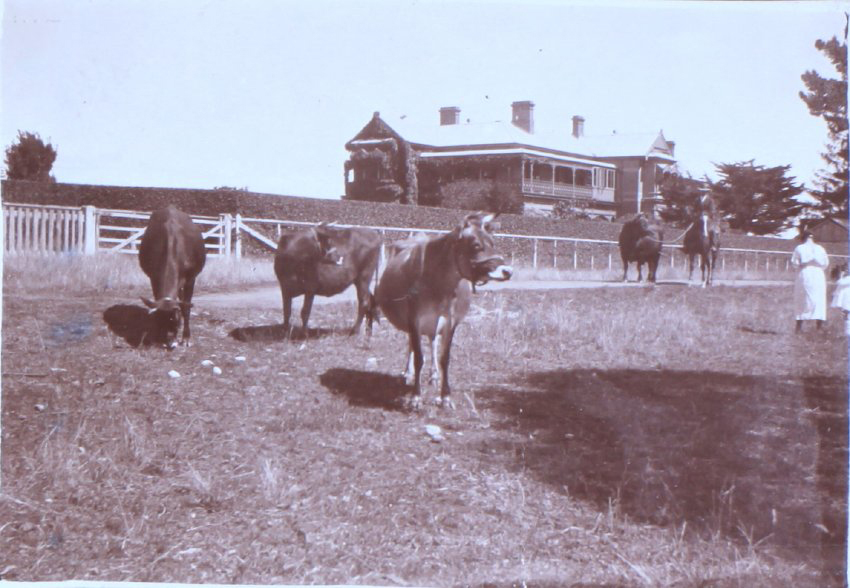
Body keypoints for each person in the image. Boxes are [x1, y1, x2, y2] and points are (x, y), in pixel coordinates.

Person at [790, 229, 829, 332]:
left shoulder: (799, 248)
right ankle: (818, 326)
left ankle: (799, 326)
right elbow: (825, 264)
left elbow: (795, 263)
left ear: (804, 237)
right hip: (817, 274)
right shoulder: (820, 248)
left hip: (806, 273)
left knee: (803, 298)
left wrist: (804, 263)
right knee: (817, 298)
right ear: (812, 237)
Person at [830, 263, 850, 336]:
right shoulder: (845, 278)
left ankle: (848, 332)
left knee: (847, 315)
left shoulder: (847, 279)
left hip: (847, 299)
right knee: (846, 315)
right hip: (845, 300)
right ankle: (847, 332)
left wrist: (840, 274)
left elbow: (840, 282)